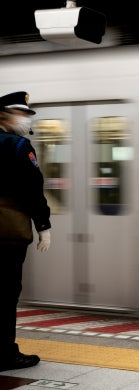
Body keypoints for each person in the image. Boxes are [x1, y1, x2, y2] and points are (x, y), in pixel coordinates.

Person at [0, 91, 52, 372]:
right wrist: (43, 226)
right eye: (22, 114)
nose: (25, 119)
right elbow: (32, 190)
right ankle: (5, 354)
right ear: (3, 115)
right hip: (6, 235)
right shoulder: (18, 146)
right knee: (6, 293)